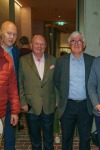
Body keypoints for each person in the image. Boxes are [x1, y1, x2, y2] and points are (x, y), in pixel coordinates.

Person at [54, 31, 94, 150]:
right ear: (69, 44)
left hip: (86, 106)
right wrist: (60, 100)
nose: (76, 43)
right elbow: (56, 81)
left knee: (85, 138)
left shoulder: (91, 60)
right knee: (66, 138)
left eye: (79, 41)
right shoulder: (61, 61)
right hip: (67, 106)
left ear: (84, 44)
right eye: (73, 41)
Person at [19, 35, 57, 150]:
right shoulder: (23, 60)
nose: (39, 46)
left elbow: (57, 82)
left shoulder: (53, 60)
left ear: (45, 46)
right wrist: (22, 101)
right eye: (36, 43)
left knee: (49, 137)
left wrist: (57, 100)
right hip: (31, 105)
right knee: (34, 138)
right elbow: (19, 83)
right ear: (31, 45)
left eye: (42, 44)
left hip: (49, 103)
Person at [0, 21, 20, 150]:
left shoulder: (15, 54)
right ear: (1, 33)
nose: (12, 37)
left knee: (9, 140)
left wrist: (15, 110)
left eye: (14, 34)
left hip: (7, 105)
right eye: (9, 33)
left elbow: (13, 86)